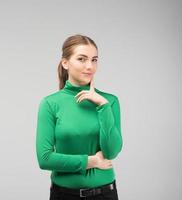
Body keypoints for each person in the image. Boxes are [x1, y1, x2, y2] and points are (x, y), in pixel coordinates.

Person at [35, 34, 123, 200]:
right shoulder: (50, 103)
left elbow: (111, 151)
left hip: (105, 195)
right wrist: (91, 161)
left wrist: (103, 107)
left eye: (94, 60)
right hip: (64, 195)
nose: (90, 66)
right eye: (82, 59)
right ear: (65, 63)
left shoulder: (110, 101)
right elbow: (45, 159)